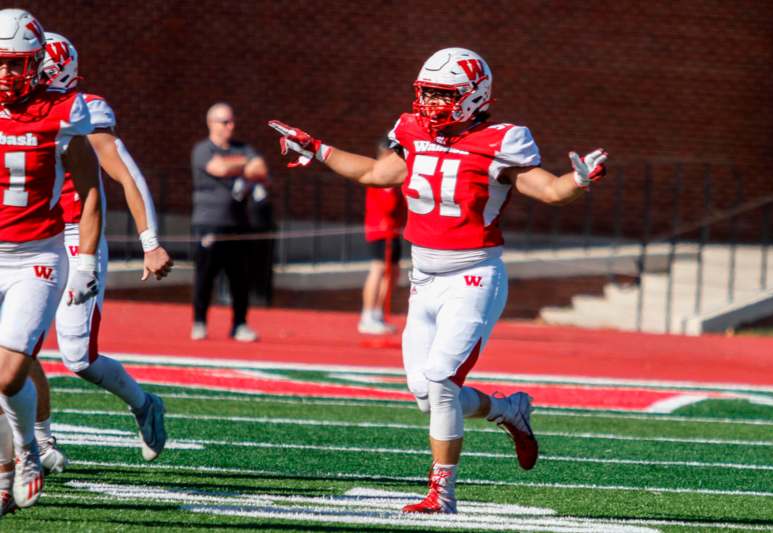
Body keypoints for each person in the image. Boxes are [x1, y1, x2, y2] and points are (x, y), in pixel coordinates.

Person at [270, 47, 607, 514]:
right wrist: (319, 149)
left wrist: (579, 180)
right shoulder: (410, 130)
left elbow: (549, 190)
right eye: (426, 93)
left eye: (442, 94)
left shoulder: (501, 140)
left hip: (473, 275)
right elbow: (373, 172)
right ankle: (508, 410)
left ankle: (441, 493)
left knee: (442, 380)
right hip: (424, 279)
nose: (429, 103)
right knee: (427, 396)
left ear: (474, 95)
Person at [20, 32, 174, 479]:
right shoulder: (16, 112)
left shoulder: (80, 110)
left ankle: (144, 404)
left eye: (27, 66)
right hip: (28, 238)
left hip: (75, 237)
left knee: (78, 357)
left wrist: (150, 242)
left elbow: (125, 174)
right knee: (17, 340)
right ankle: (42, 440)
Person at [0, 8, 103, 511]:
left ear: (36, 63)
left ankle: (27, 453)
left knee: (8, 372)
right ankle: (6, 470)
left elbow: (89, 190)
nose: (4, 74)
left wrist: (84, 263)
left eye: (15, 64)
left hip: (35, 255)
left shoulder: (63, 111)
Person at [191, 103, 268, 342]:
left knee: (240, 278)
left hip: (238, 224)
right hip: (209, 223)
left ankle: (239, 324)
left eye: (232, 121)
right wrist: (245, 164)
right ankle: (200, 322)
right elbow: (219, 168)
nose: (230, 126)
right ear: (211, 123)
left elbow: (262, 169)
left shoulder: (243, 147)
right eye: (225, 122)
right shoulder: (203, 150)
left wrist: (241, 163)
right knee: (205, 276)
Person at [359, 138, 404, 335]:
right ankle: (368, 314)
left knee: (392, 271)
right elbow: (389, 205)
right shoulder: (382, 174)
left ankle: (377, 312)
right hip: (381, 229)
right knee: (378, 268)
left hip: (393, 230)